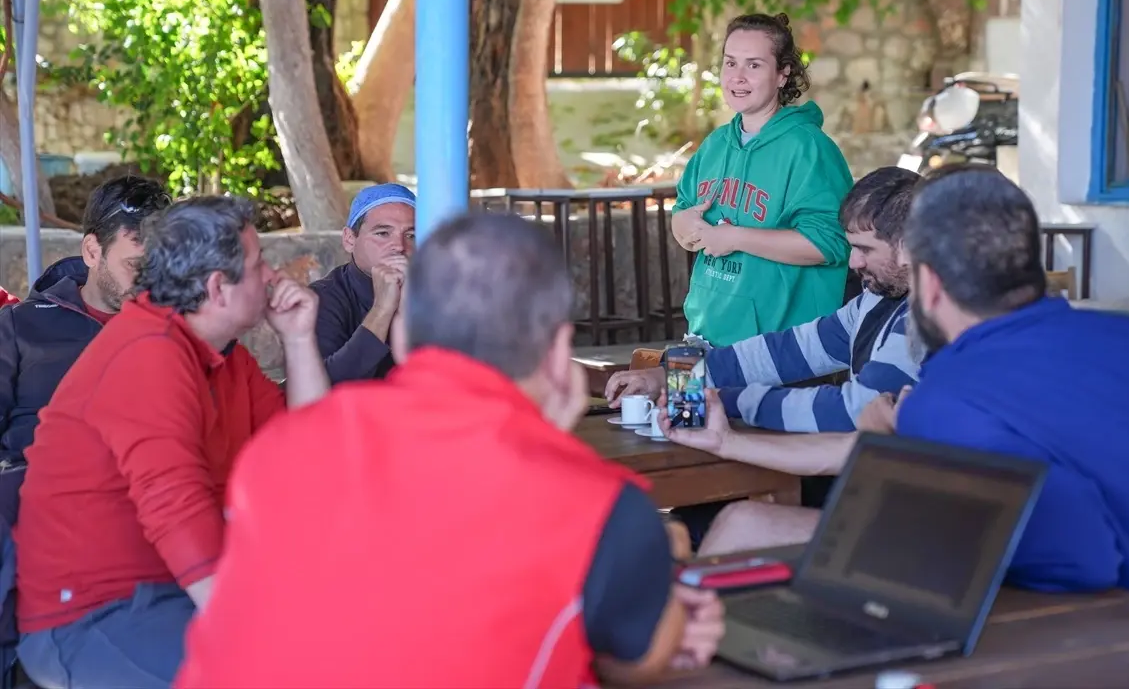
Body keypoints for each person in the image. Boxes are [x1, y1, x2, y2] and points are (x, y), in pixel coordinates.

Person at [176, 213, 725, 689]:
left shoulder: (280, 447)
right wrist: (662, 570)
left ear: (404, 340)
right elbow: (647, 656)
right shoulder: (599, 506)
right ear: (560, 354)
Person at [697, 166, 1129, 607]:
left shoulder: (949, 396)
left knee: (745, 529)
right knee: (749, 524)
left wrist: (895, 452)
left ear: (928, 283)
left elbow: (1075, 557)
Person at [14, 196, 331, 689]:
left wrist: (297, 339)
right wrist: (257, 632)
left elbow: (309, 457)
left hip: (171, 594)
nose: (271, 276)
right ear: (215, 288)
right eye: (256, 264)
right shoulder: (149, 354)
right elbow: (175, 509)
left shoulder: (221, 355)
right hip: (93, 617)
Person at [608, 167, 921, 435]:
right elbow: (785, 351)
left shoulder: (922, 320)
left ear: (910, 246)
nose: (853, 263)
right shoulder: (874, 300)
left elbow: (852, 410)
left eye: (865, 249)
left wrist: (722, 399)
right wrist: (666, 375)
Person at [671, 13, 853, 347]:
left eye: (753, 65)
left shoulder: (809, 148)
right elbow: (683, 213)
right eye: (730, 63)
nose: (737, 77)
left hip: (781, 352)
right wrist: (684, 226)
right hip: (705, 337)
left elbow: (831, 243)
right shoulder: (714, 145)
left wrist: (736, 237)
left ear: (783, 74)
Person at [0, 176, 170, 514]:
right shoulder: (20, 325)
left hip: (140, 508)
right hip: (30, 505)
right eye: (135, 266)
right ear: (92, 251)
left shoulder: (174, 332)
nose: (149, 282)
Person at [311, 183, 417, 383]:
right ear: (350, 239)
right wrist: (382, 310)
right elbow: (322, 386)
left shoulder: (435, 294)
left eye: (411, 235)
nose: (399, 246)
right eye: (383, 233)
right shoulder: (323, 297)